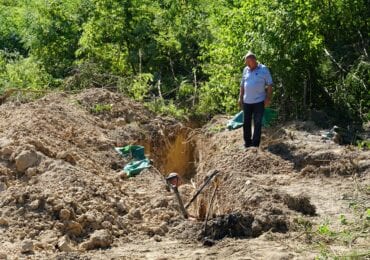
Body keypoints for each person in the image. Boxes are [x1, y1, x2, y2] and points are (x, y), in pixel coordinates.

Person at [238, 51, 273, 148]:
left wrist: (268, 98)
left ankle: (255, 144)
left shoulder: (263, 69)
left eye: (248, 62)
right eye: (246, 63)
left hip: (259, 101)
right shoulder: (246, 70)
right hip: (247, 101)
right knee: (246, 122)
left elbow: (270, 84)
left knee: (257, 122)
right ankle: (247, 143)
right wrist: (240, 97)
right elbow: (242, 85)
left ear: (254, 60)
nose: (247, 64)